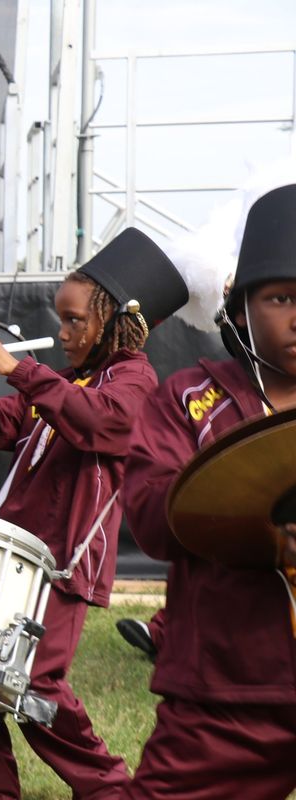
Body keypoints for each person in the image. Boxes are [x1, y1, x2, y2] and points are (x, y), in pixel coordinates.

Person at [0, 227, 189, 799]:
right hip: (13, 553)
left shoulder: (134, 380)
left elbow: (100, 422)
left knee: (37, 686)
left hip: (64, 562)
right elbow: (4, 425)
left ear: (116, 322)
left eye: (76, 320)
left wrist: (20, 371)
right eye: (62, 319)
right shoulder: (66, 381)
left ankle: (106, 788)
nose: (63, 332)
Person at [119, 184, 296, 798]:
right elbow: (150, 513)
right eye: (280, 298)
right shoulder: (193, 400)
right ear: (241, 308)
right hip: (225, 693)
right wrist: (260, 525)